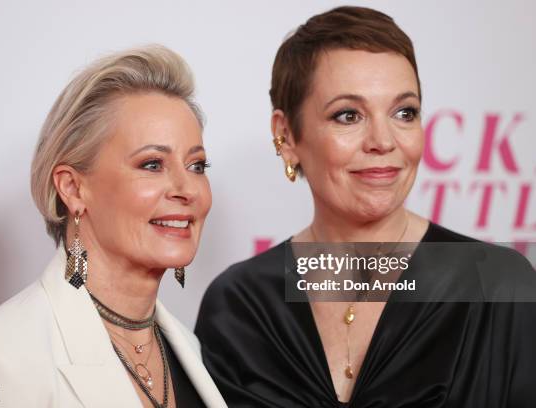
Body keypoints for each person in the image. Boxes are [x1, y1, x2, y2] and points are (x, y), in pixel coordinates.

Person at [195, 6, 536, 408]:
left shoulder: (497, 288)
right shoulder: (240, 308)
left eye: (403, 112)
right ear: (286, 136)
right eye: (348, 115)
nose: (382, 140)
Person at [0, 45, 227, 408]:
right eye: (151, 164)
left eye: (197, 166)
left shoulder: (187, 349)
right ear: (72, 187)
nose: (186, 189)